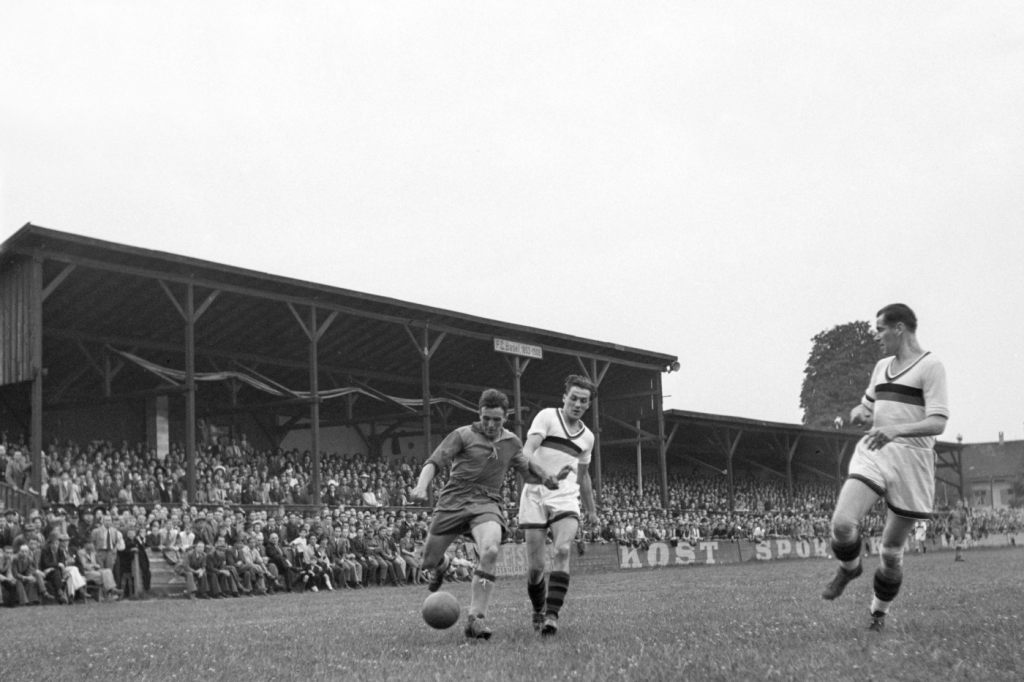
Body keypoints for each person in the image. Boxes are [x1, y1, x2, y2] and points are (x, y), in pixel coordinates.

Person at [821, 303, 949, 632]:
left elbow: (937, 422)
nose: (877, 336)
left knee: (891, 552)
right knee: (842, 523)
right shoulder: (881, 367)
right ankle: (849, 568)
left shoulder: (931, 366)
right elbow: (869, 406)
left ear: (899, 328)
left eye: (880, 329)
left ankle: (878, 614)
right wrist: (859, 413)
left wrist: (896, 429)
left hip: (912, 460)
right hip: (877, 449)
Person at [411, 388, 566, 640]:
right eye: (486, 418)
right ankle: (443, 565)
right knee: (427, 561)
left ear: (506, 417)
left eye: (497, 419)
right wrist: (420, 486)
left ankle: (476, 619)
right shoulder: (463, 434)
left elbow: (526, 466)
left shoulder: (512, 442)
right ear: (479, 414)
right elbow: (434, 461)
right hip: (454, 500)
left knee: (491, 550)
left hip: (487, 501)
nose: (491, 424)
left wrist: (546, 478)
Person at [518, 375, 599, 636]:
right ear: (564, 397)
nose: (577, 403)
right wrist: (544, 476)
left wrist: (591, 510)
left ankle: (552, 616)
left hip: (565, 495)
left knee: (563, 549)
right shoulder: (547, 417)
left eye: (583, 401)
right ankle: (539, 608)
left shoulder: (587, 438)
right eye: (573, 398)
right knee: (535, 568)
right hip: (535, 492)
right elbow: (526, 452)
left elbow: (583, 475)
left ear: (588, 405)